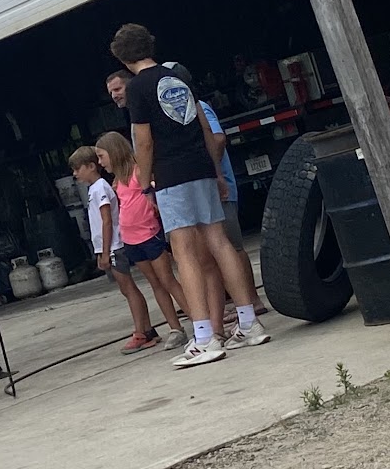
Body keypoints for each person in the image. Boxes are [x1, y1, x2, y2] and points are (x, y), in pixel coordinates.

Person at [111, 24, 271, 368]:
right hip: (201, 166)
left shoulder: (138, 88)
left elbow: (144, 142)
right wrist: (216, 172)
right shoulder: (179, 76)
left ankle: (203, 337)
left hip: (171, 174)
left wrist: (145, 183)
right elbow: (204, 127)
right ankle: (249, 323)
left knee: (184, 253)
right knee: (220, 242)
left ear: (123, 59)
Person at [93, 130, 191, 350]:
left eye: (101, 156)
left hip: (149, 234)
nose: (100, 162)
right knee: (155, 283)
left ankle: (198, 320)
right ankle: (175, 328)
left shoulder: (139, 172)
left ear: (114, 152)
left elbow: (154, 190)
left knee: (167, 280)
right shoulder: (117, 181)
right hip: (131, 240)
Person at [164, 62, 257, 291]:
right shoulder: (182, 111)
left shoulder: (200, 108)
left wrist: (210, 170)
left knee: (232, 245)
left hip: (218, 188)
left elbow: (218, 138)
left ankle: (251, 299)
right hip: (207, 188)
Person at [70, 145, 156, 351]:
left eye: (77, 168)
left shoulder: (100, 187)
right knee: (126, 289)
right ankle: (146, 329)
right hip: (109, 247)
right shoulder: (94, 189)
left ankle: (141, 332)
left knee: (129, 288)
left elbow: (106, 220)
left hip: (114, 246)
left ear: (91, 166)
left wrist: (106, 251)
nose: (74, 174)